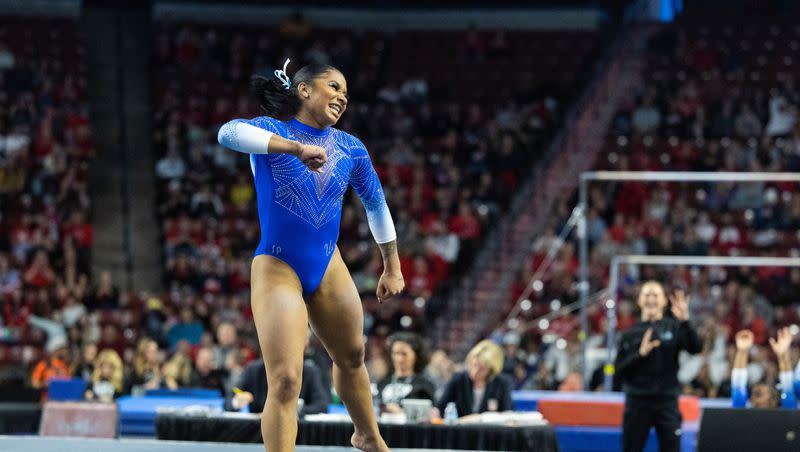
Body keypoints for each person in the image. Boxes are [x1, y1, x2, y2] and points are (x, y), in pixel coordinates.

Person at [217, 59, 403, 452]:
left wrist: (392, 267)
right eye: (334, 87)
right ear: (304, 90)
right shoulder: (272, 131)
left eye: (347, 94)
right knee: (285, 379)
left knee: (352, 356)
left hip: (327, 263)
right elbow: (227, 132)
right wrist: (295, 148)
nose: (342, 97)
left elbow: (376, 205)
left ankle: (368, 436)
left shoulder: (351, 147)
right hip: (278, 264)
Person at [614, 283, 702, 452]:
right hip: (637, 403)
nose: (651, 299)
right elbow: (618, 372)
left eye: (656, 295)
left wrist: (685, 321)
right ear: (639, 301)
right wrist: (640, 354)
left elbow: (695, 348)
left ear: (663, 301)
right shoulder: (629, 333)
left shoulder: (675, 327)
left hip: (667, 402)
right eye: (647, 295)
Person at [434, 340, 513, 419]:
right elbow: (440, 407)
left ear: (491, 371)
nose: (475, 371)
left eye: (481, 369)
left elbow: (507, 413)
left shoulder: (501, 384)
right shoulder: (459, 379)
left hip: (490, 430)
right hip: (461, 429)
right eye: (474, 365)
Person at [232, 356, 329, 416]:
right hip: (257, 430)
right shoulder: (252, 370)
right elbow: (230, 399)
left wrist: (295, 410)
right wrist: (237, 401)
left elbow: (322, 405)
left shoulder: (309, 372)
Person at [731, 328, 797, 409]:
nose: (757, 393)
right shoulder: (742, 415)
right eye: (755, 393)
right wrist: (742, 352)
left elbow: (788, 389)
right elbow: (738, 390)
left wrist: (783, 355)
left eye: (759, 393)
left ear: (774, 400)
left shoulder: (786, 414)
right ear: (751, 399)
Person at [376, 332, 436, 413]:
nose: (399, 359)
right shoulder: (382, 383)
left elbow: (427, 414)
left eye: (404, 354)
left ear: (416, 356)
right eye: (396, 353)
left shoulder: (424, 387)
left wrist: (400, 412)